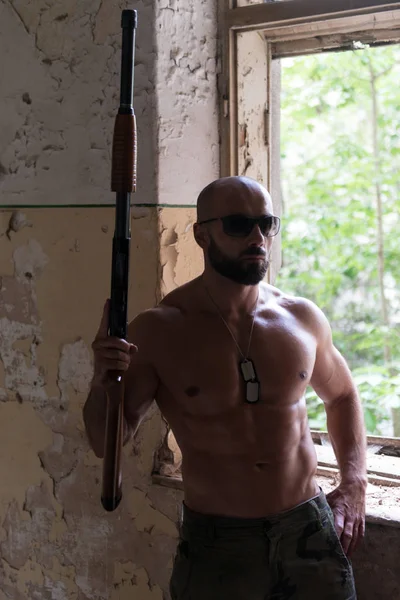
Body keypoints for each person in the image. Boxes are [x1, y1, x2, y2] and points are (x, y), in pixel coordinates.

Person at [83, 176, 367, 599]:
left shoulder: (300, 319)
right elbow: (107, 441)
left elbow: (342, 396)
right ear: (201, 235)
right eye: (238, 224)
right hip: (219, 544)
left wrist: (354, 482)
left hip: (307, 531)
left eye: (266, 224)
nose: (257, 237)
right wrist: (103, 378)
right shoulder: (160, 331)